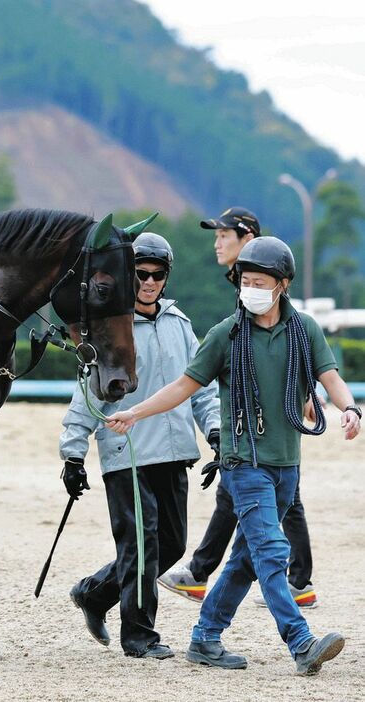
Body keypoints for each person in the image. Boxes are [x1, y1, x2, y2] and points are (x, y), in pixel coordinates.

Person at [106, 237, 360, 674]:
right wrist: (135, 411)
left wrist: (349, 408)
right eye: (244, 282)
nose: (249, 289)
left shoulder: (305, 330)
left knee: (245, 558)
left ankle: (205, 638)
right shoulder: (225, 335)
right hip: (244, 463)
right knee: (270, 550)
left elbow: (329, 376)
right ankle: (300, 642)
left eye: (259, 282)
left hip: (286, 465)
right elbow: (184, 387)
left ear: (282, 285)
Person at [59, 233, 221, 659]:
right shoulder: (113, 325)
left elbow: (200, 389)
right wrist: (72, 454)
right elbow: (88, 393)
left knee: (172, 544)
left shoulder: (181, 325)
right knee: (142, 544)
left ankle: (94, 594)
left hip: (174, 452)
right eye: (141, 273)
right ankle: (139, 636)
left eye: (157, 274)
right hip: (125, 451)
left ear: (167, 277)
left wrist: (217, 433)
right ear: (128, 276)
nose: (149, 281)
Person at [159, 207, 320, 609]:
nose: (216, 243)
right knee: (237, 489)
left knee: (283, 494)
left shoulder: (264, 283)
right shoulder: (245, 282)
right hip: (247, 429)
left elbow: (289, 342)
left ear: (246, 237)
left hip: (271, 423)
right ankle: (201, 572)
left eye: (222, 235)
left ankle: (298, 580)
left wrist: (303, 396)